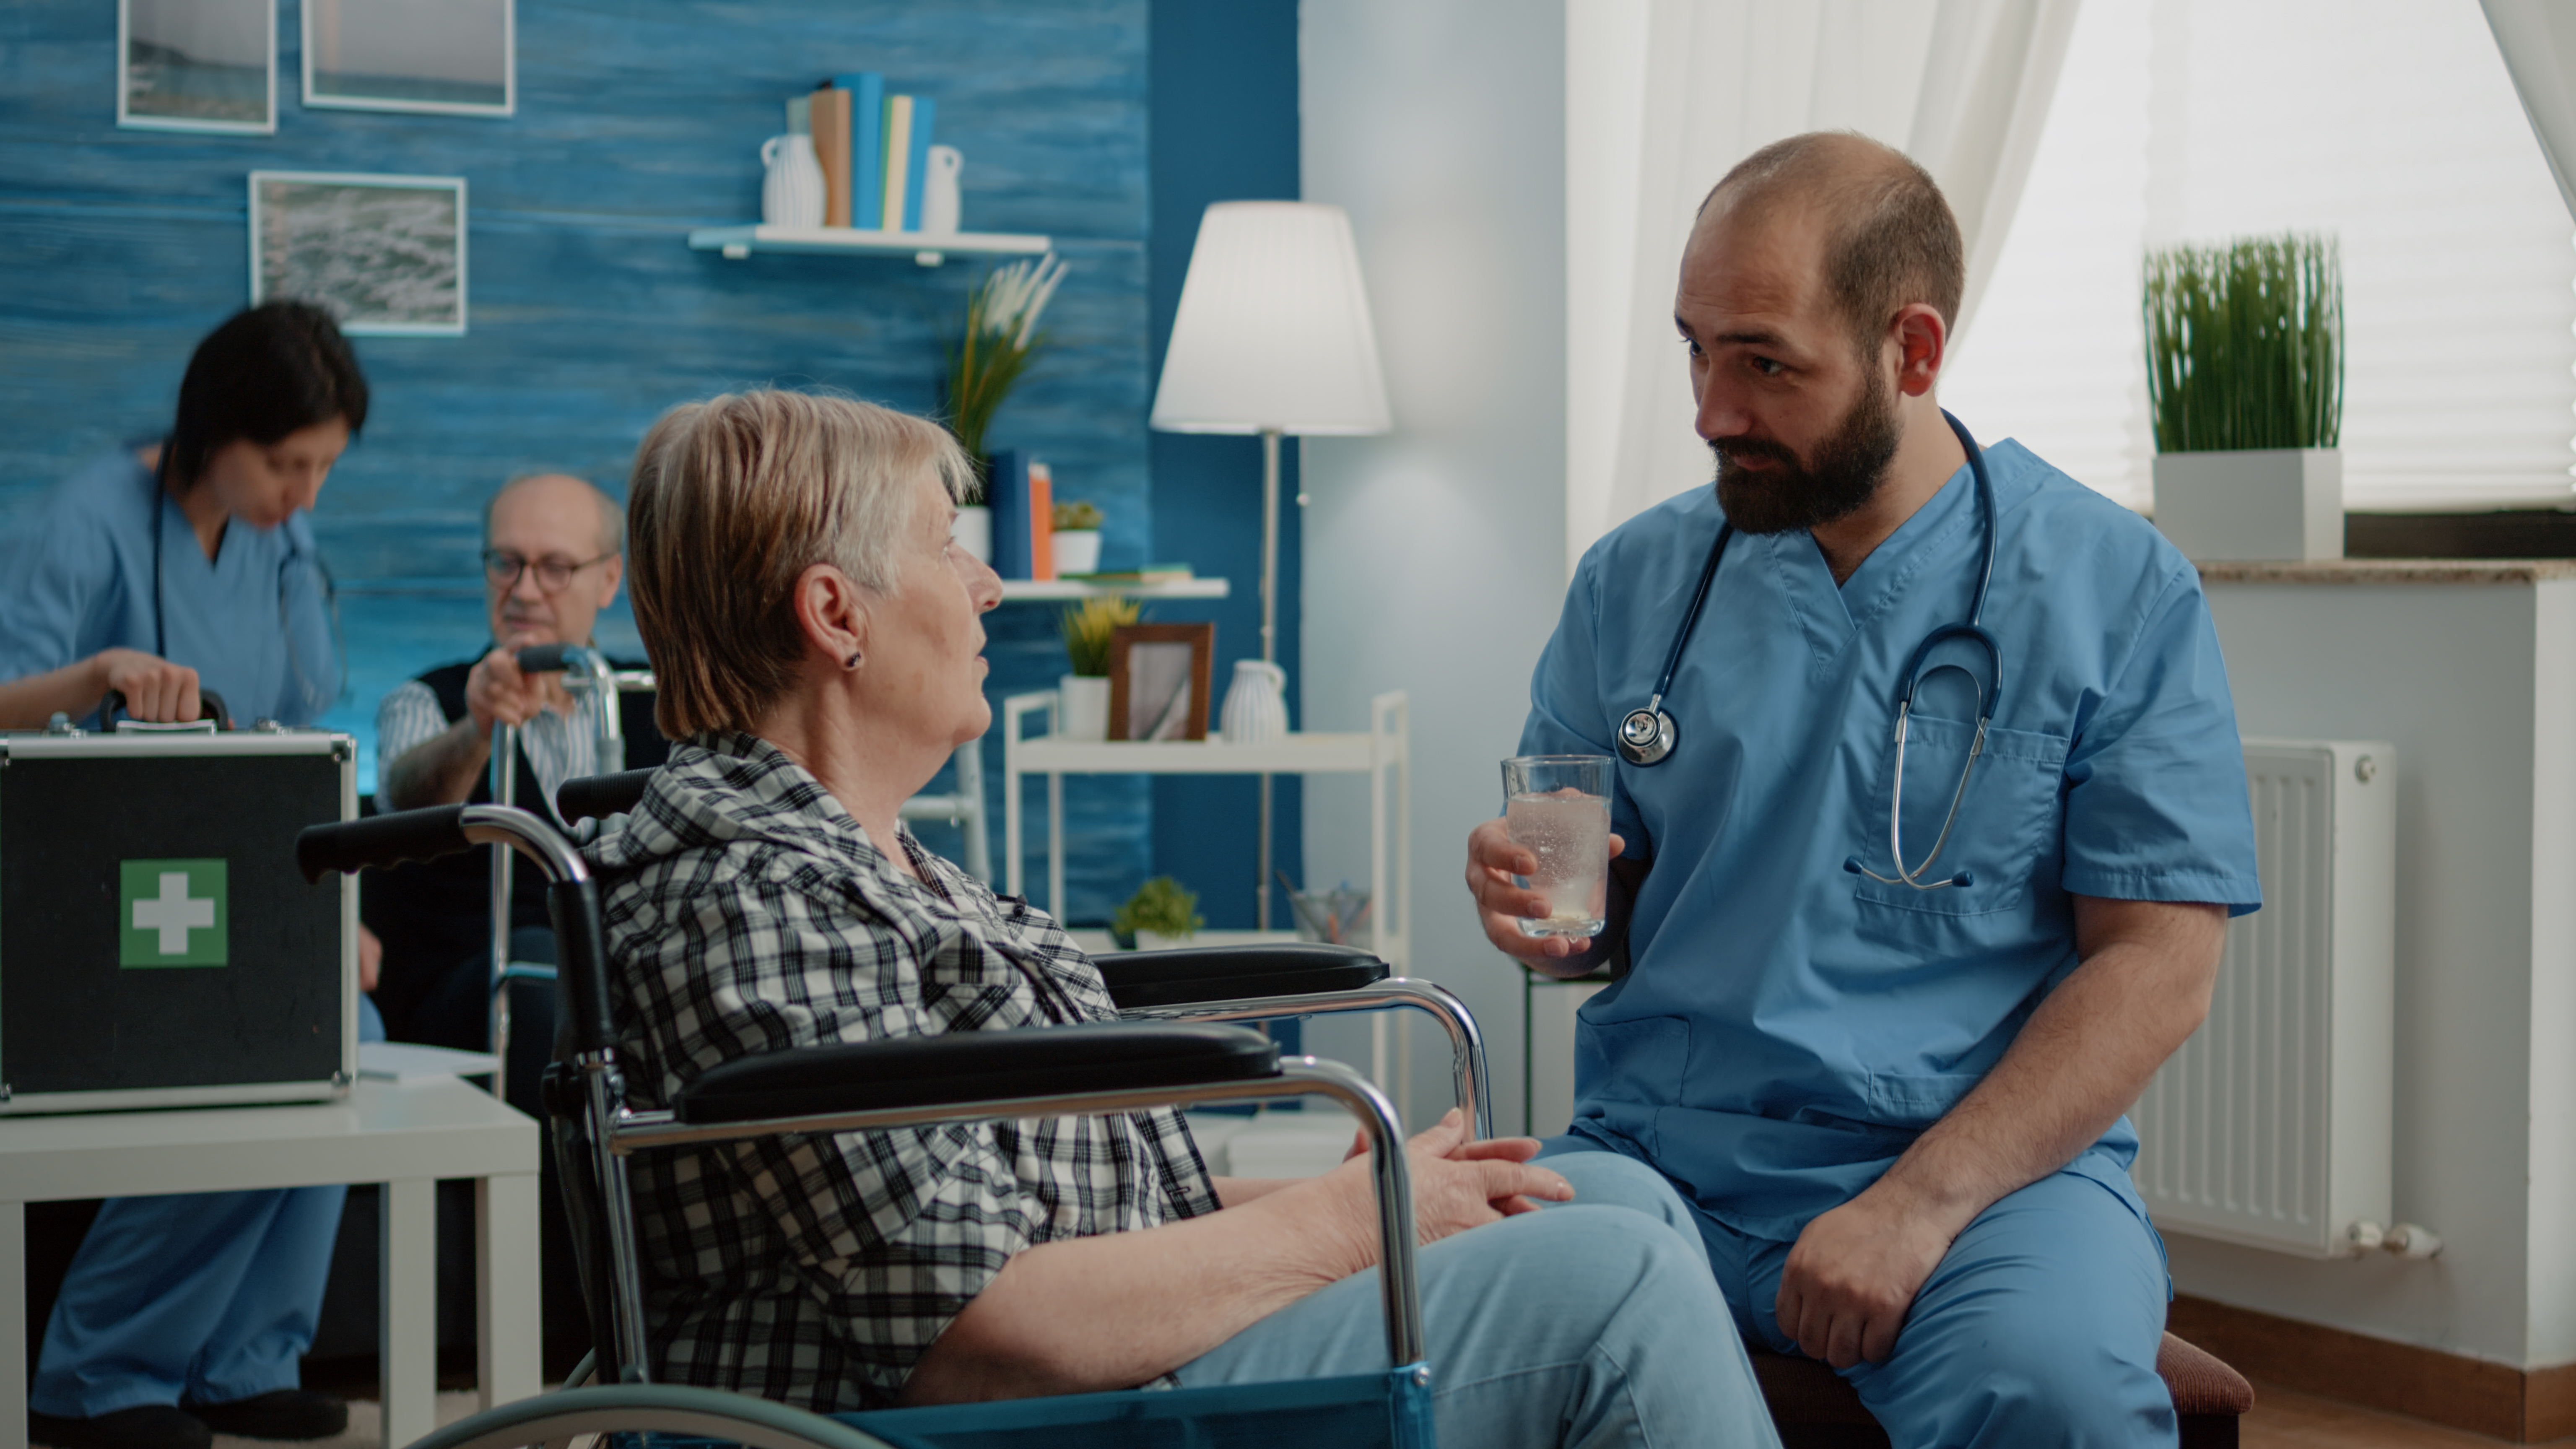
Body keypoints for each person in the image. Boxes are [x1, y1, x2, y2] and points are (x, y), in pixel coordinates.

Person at [585, 388, 1782, 1447]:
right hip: (1027, 1410)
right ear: (837, 617)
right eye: (948, 549)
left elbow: (1049, 1213)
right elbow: (980, 1337)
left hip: (1109, 1355)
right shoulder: (753, 894)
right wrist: (1348, 1226)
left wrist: (1374, 1198)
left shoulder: (868, 860)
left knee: (1616, 1197)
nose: (987, 586)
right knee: (1616, 1282)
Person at [1465, 133, 2263, 1449]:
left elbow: (2158, 968)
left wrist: (1920, 1204)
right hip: (1662, 1154)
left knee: (2051, 1393)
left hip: (1989, 1173)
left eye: (1764, 362)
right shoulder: (1634, 583)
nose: (1714, 409)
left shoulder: (2114, 589)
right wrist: (1537, 907)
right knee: (1468, 1330)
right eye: (1697, 350)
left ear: (1915, 350)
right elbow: (1584, 930)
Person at [1, 301, 377, 1449]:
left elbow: (301, 734)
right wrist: (98, 674)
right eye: (284, 463)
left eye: (321, 468)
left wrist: (338, 915)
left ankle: (243, 1359)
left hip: (233, 878)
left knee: (336, 1017)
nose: (303, 495)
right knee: (231, 1036)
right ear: (212, 429)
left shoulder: (279, 542)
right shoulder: (84, 523)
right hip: (88, 889)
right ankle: (98, 1377)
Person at [367, 472, 666, 1059]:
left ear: (609, 579)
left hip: (629, 982)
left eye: (555, 568)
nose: (525, 591)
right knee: (537, 963)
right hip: (476, 990)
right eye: (506, 563)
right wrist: (477, 730)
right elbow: (405, 809)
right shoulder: (427, 701)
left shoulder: (659, 699)